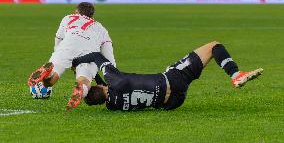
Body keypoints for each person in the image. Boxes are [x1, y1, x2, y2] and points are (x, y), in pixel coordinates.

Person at [72, 41, 263, 111]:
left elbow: (108, 89)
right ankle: (236, 74)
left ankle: (236, 75)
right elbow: (97, 56)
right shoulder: (115, 80)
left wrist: (97, 81)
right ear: (101, 87)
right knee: (214, 46)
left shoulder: (113, 106)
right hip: (173, 79)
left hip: (173, 102)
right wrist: (76, 63)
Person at [28, 2, 116, 110]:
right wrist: (113, 74)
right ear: (92, 15)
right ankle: (81, 89)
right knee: (84, 80)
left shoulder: (68, 18)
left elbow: (58, 39)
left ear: (76, 12)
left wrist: (58, 56)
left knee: (51, 78)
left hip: (68, 45)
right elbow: (109, 56)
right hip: (89, 50)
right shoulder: (101, 29)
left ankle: (48, 73)